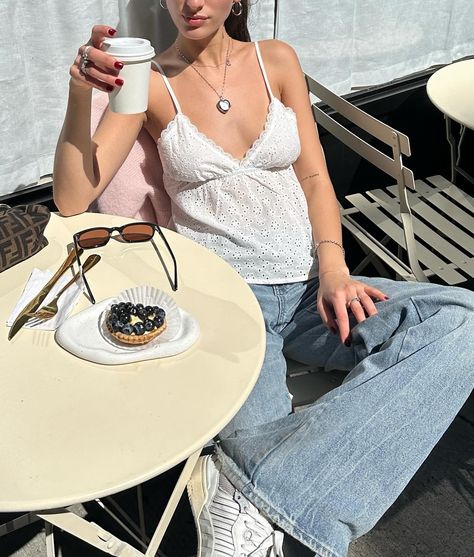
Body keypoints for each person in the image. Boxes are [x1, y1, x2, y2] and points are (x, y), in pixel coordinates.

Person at [53, 1, 474, 556]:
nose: (192, 3)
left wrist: (334, 270)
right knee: (259, 450)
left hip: (310, 292)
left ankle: (251, 489)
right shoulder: (149, 82)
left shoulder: (276, 60)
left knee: (459, 320)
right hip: (227, 306)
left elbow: (317, 177)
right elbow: (72, 196)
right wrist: (80, 92)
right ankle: (269, 492)